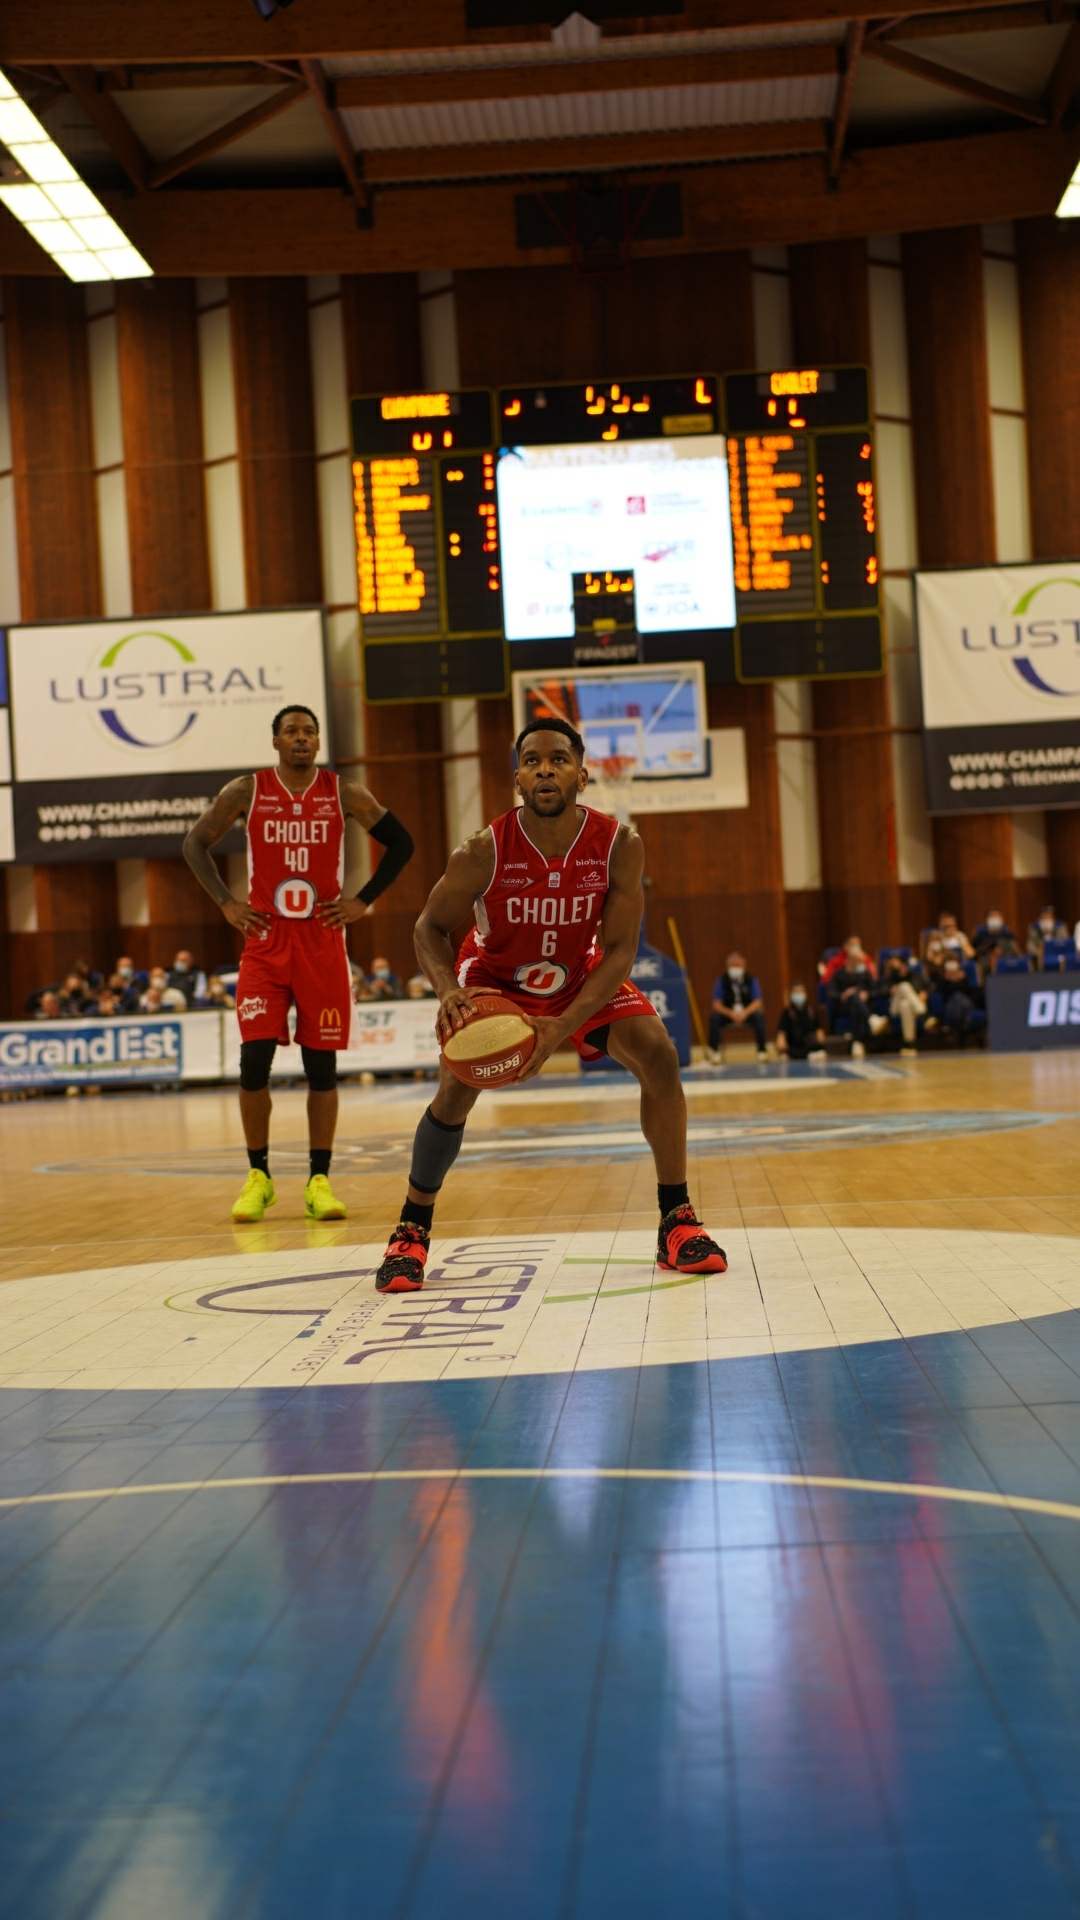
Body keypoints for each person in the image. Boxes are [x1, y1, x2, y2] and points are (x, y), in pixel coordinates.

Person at [374, 717, 726, 1294]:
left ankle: (676, 1221)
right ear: (516, 778)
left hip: (580, 973)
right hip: (495, 976)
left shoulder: (620, 845)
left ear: (582, 775)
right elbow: (428, 928)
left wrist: (562, 1025)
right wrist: (449, 992)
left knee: (659, 1056)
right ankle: (411, 1230)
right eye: (532, 760)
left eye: (558, 759)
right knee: (457, 1089)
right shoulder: (482, 852)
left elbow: (618, 951)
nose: (545, 768)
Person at [184, 704, 414, 1224]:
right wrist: (225, 902)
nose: (302, 739)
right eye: (292, 731)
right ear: (275, 741)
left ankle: (319, 1180)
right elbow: (195, 843)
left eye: (310, 731)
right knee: (253, 1061)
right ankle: (258, 1176)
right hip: (265, 939)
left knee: (321, 1068)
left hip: (321, 939)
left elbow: (402, 843)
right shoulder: (247, 790)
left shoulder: (344, 792)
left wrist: (363, 900)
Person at [708, 952, 766, 1061]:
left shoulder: (751, 980)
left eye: (738, 966)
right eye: (733, 966)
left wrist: (744, 1013)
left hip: (746, 1013)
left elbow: (758, 1002)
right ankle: (715, 1051)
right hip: (728, 1014)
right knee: (714, 1018)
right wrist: (731, 1013)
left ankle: (762, 1051)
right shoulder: (721, 981)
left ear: (743, 966)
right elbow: (716, 1004)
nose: (735, 968)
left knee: (759, 1016)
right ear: (728, 966)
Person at [827, 938, 878, 1058]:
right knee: (853, 997)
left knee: (856, 1003)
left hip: (860, 1005)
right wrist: (844, 994)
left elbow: (876, 990)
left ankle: (856, 1042)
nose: (860, 965)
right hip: (842, 1006)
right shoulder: (838, 975)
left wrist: (866, 994)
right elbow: (830, 993)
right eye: (858, 962)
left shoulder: (864, 974)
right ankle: (871, 1020)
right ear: (849, 961)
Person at [882, 952, 926, 1056]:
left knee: (905, 1005)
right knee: (904, 986)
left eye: (895, 962)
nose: (893, 964)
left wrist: (924, 993)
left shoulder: (914, 976)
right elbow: (880, 991)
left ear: (903, 964)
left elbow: (924, 988)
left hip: (908, 1007)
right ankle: (923, 1012)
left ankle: (909, 1045)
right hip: (894, 1007)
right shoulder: (890, 978)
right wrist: (890, 990)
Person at [775, 985, 824, 1061]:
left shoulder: (811, 1011)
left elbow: (819, 1030)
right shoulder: (787, 1012)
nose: (798, 994)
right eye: (796, 992)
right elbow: (781, 1032)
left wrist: (821, 1042)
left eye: (801, 991)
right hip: (793, 1048)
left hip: (809, 1048)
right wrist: (781, 1043)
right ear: (791, 994)